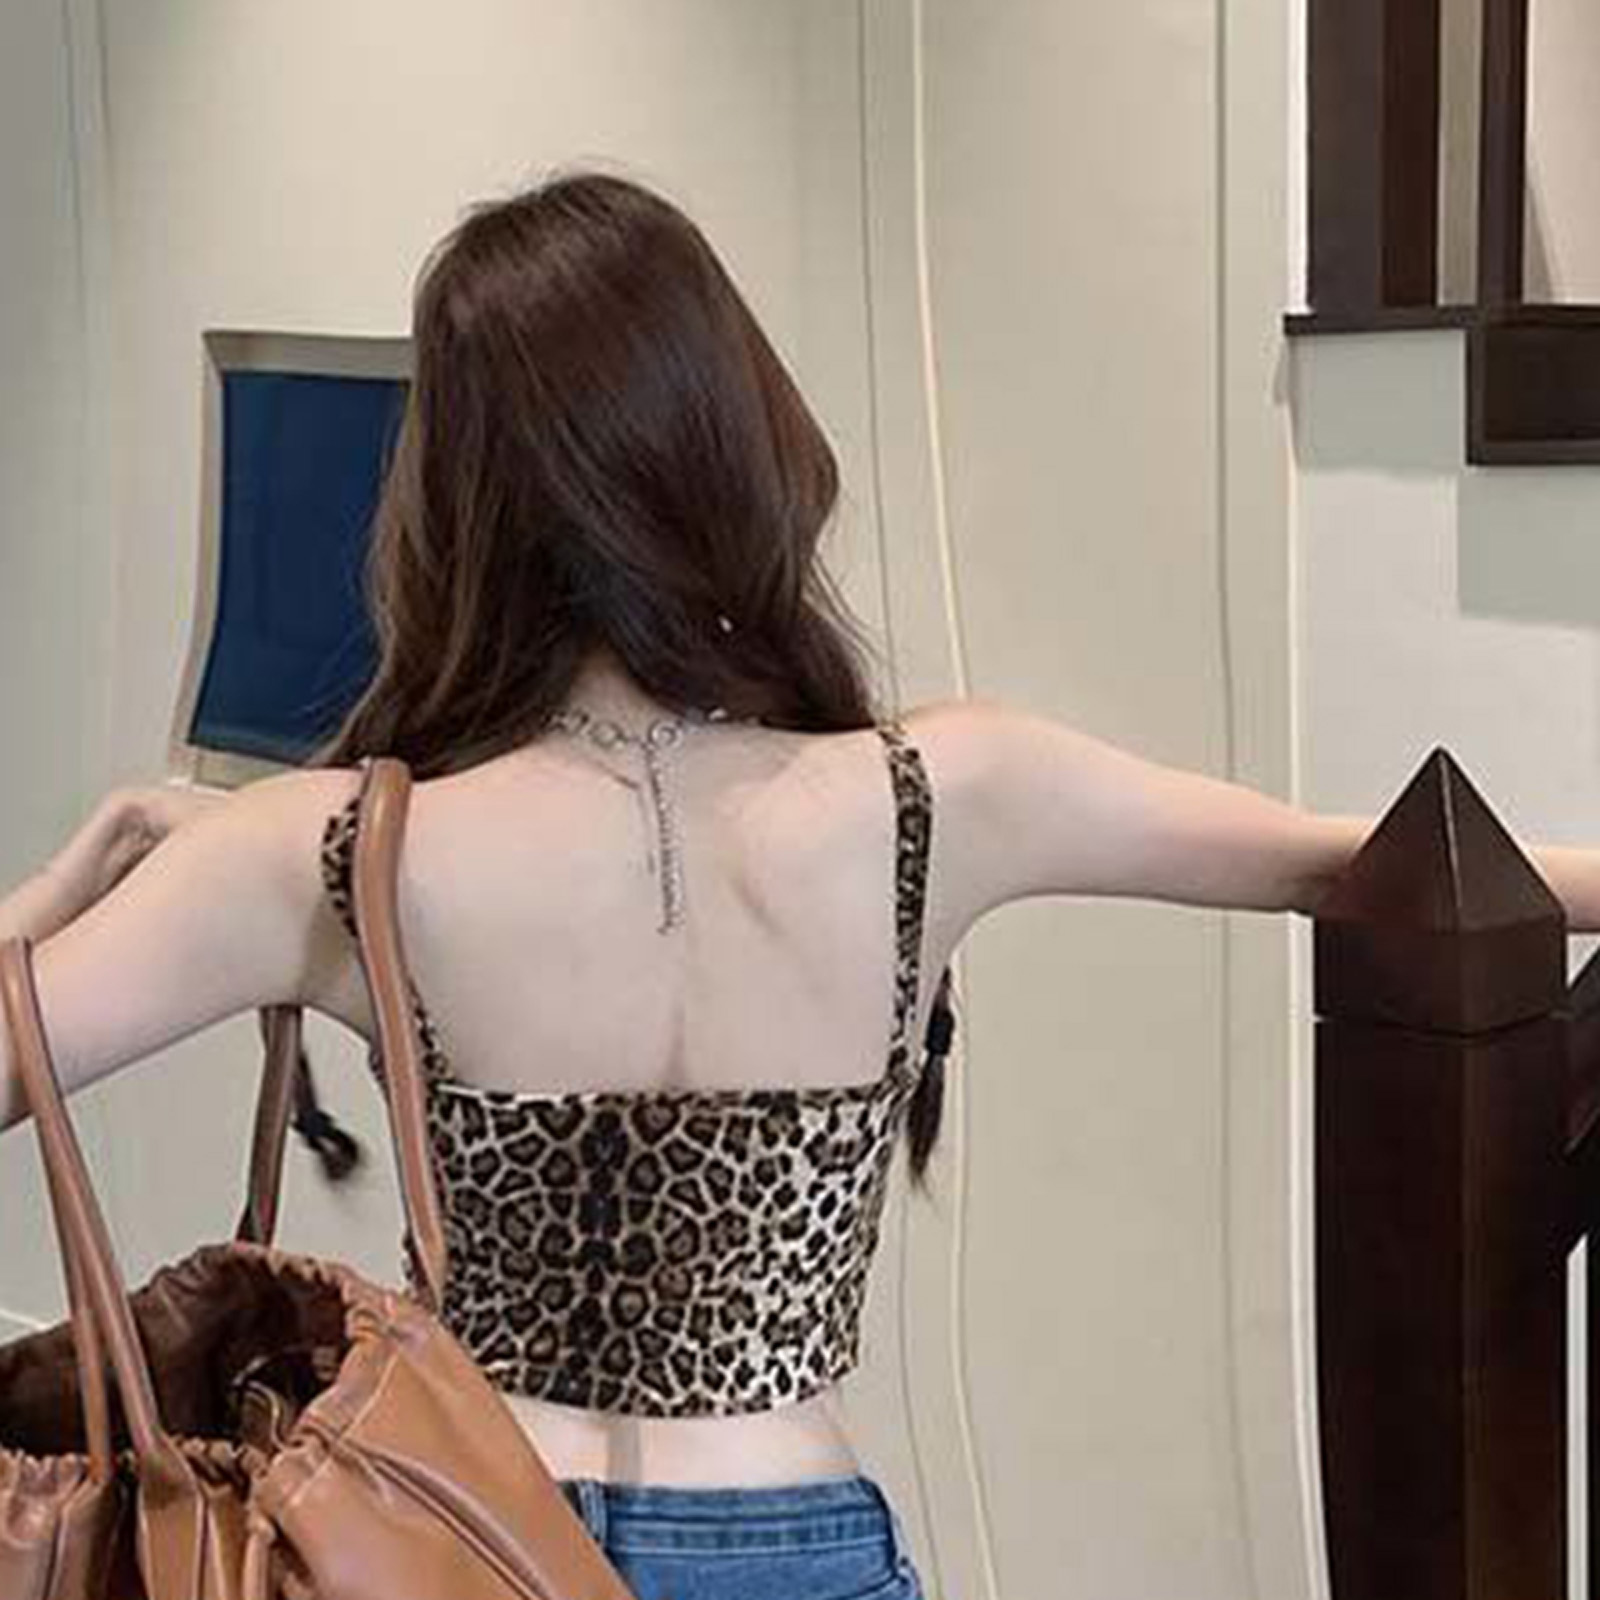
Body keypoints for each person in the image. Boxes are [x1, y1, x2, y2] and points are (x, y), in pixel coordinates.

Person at [0, 169, 1485, 1598]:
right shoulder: (941, 797)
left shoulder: (338, 851)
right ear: (739, 440)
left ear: (450, 496)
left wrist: (76, 875)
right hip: (802, 1543)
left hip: (469, 1542)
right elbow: (1396, 863)